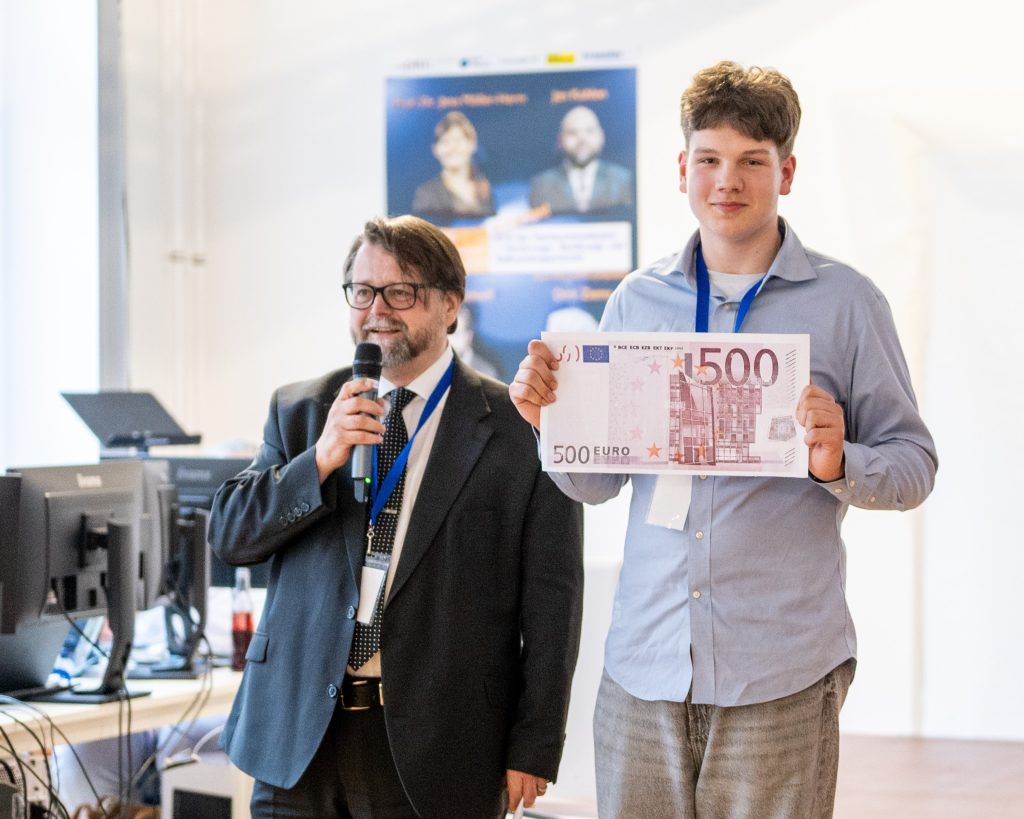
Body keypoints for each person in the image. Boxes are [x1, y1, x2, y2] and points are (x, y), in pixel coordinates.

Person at [510, 61, 938, 818]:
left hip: (779, 674)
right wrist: (553, 423)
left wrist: (838, 461)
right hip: (643, 668)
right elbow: (596, 483)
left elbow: (913, 465)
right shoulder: (637, 301)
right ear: (682, 168)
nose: (726, 180)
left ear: (788, 170)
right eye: (708, 159)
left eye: (751, 161)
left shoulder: (847, 303)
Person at [208, 215, 584, 818]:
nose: (377, 310)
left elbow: (553, 603)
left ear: (449, 306)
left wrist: (535, 746)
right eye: (363, 292)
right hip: (300, 737)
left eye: (400, 292)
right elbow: (230, 536)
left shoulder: (521, 428)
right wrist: (321, 460)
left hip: (439, 743)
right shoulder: (302, 411)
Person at [528, 105, 633, 215]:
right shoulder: (541, 185)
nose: (582, 139)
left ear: (601, 136)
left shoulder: (622, 180)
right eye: (573, 132)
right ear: (560, 140)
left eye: (589, 131)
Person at [412, 111, 495, 219]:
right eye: (445, 141)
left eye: (458, 140)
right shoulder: (426, 193)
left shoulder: (486, 188)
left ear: (472, 144)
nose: (452, 147)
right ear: (435, 149)